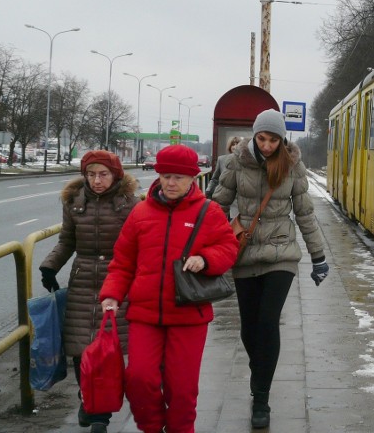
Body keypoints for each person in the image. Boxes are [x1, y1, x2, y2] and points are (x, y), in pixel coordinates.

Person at [99, 144, 239, 433]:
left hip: (189, 314)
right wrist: (112, 294)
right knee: (138, 378)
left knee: (182, 387)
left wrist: (206, 259)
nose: (171, 183)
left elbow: (229, 247)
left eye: (178, 177)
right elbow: (122, 261)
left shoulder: (208, 212)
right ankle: (151, 427)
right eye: (165, 176)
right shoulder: (140, 213)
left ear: (192, 179)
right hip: (144, 314)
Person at [212, 109, 330, 429]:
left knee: (267, 321)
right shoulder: (237, 162)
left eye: (273, 140)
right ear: (254, 136)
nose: (266, 145)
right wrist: (203, 249)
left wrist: (318, 256)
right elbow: (217, 205)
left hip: (281, 253)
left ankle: (261, 397)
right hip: (245, 254)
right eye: (262, 138)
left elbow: (305, 213)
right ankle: (260, 370)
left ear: (282, 140)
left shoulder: (292, 166)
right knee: (249, 327)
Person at [39, 150, 139, 433]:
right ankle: (87, 399)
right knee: (81, 348)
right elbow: (66, 241)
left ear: (115, 175)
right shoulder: (74, 201)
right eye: (91, 174)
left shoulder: (130, 204)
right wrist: (50, 266)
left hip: (117, 281)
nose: (97, 180)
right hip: (82, 280)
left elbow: (137, 246)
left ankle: (101, 414)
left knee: (108, 349)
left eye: (103, 174)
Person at [204, 135, 240, 201]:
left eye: (237, 144)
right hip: (223, 196)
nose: (235, 147)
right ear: (229, 146)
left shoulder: (244, 161)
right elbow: (215, 179)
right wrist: (208, 191)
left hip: (238, 198)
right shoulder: (222, 159)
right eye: (233, 144)